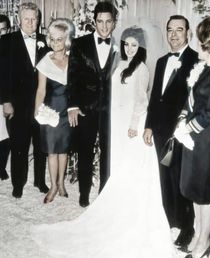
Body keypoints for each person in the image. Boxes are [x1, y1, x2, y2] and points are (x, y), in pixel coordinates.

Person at [31, 25, 173, 258]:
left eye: (134, 45)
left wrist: (133, 123)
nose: (129, 48)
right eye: (126, 44)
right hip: (114, 118)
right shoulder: (120, 62)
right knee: (113, 159)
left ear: (141, 47)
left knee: (127, 163)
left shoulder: (142, 68)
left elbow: (141, 100)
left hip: (129, 123)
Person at [174, 17, 210, 258]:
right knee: (194, 190)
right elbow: (193, 101)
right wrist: (181, 119)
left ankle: (204, 242)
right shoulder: (206, 67)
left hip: (207, 139)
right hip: (193, 137)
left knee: (204, 193)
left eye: (200, 40)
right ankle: (200, 236)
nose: (197, 44)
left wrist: (188, 127)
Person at [143, 15, 198, 249]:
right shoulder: (162, 60)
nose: (174, 34)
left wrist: (185, 126)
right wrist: (148, 124)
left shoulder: (197, 60)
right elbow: (156, 96)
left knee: (181, 179)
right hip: (160, 129)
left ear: (188, 33)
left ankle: (187, 228)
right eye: (170, 30)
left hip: (182, 130)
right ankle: (170, 219)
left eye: (179, 30)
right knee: (164, 175)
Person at [67, 1, 119, 207]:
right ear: (94, 21)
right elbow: (72, 77)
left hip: (110, 110)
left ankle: (104, 194)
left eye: (108, 22)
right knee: (85, 152)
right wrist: (72, 106)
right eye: (100, 22)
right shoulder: (80, 44)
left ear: (114, 23)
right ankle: (83, 193)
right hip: (86, 108)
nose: (104, 27)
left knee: (108, 152)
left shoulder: (122, 46)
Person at [2, 2, 49, 198]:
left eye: (34, 19)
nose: (31, 23)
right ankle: (18, 184)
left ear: (38, 20)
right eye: (27, 19)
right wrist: (5, 101)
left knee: (41, 144)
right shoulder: (6, 41)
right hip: (17, 104)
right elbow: (2, 74)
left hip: (41, 103)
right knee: (19, 145)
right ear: (19, 20)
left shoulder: (47, 41)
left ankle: (40, 181)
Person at [34, 18, 75, 203]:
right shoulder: (45, 62)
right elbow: (41, 90)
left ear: (66, 39)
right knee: (51, 151)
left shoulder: (73, 60)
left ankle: (61, 183)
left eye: (60, 39)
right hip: (50, 111)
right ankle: (53, 186)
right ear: (49, 39)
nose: (56, 42)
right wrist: (37, 111)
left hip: (67, 111)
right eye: (53, 39)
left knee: (63, 150)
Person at [0, 14, 11, 180]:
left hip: (6, 96)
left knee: (5, 134)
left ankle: (1, 166)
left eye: (2, 30)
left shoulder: (11, 47)